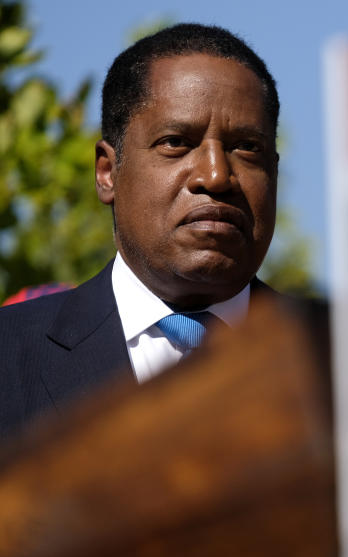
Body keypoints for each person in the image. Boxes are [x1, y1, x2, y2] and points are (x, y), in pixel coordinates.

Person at [0, 24, 288, 433]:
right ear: (107, 173)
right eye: (175, 142)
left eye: (246, 147)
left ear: (273, 173)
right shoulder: (9, 358)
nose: (216, 174)